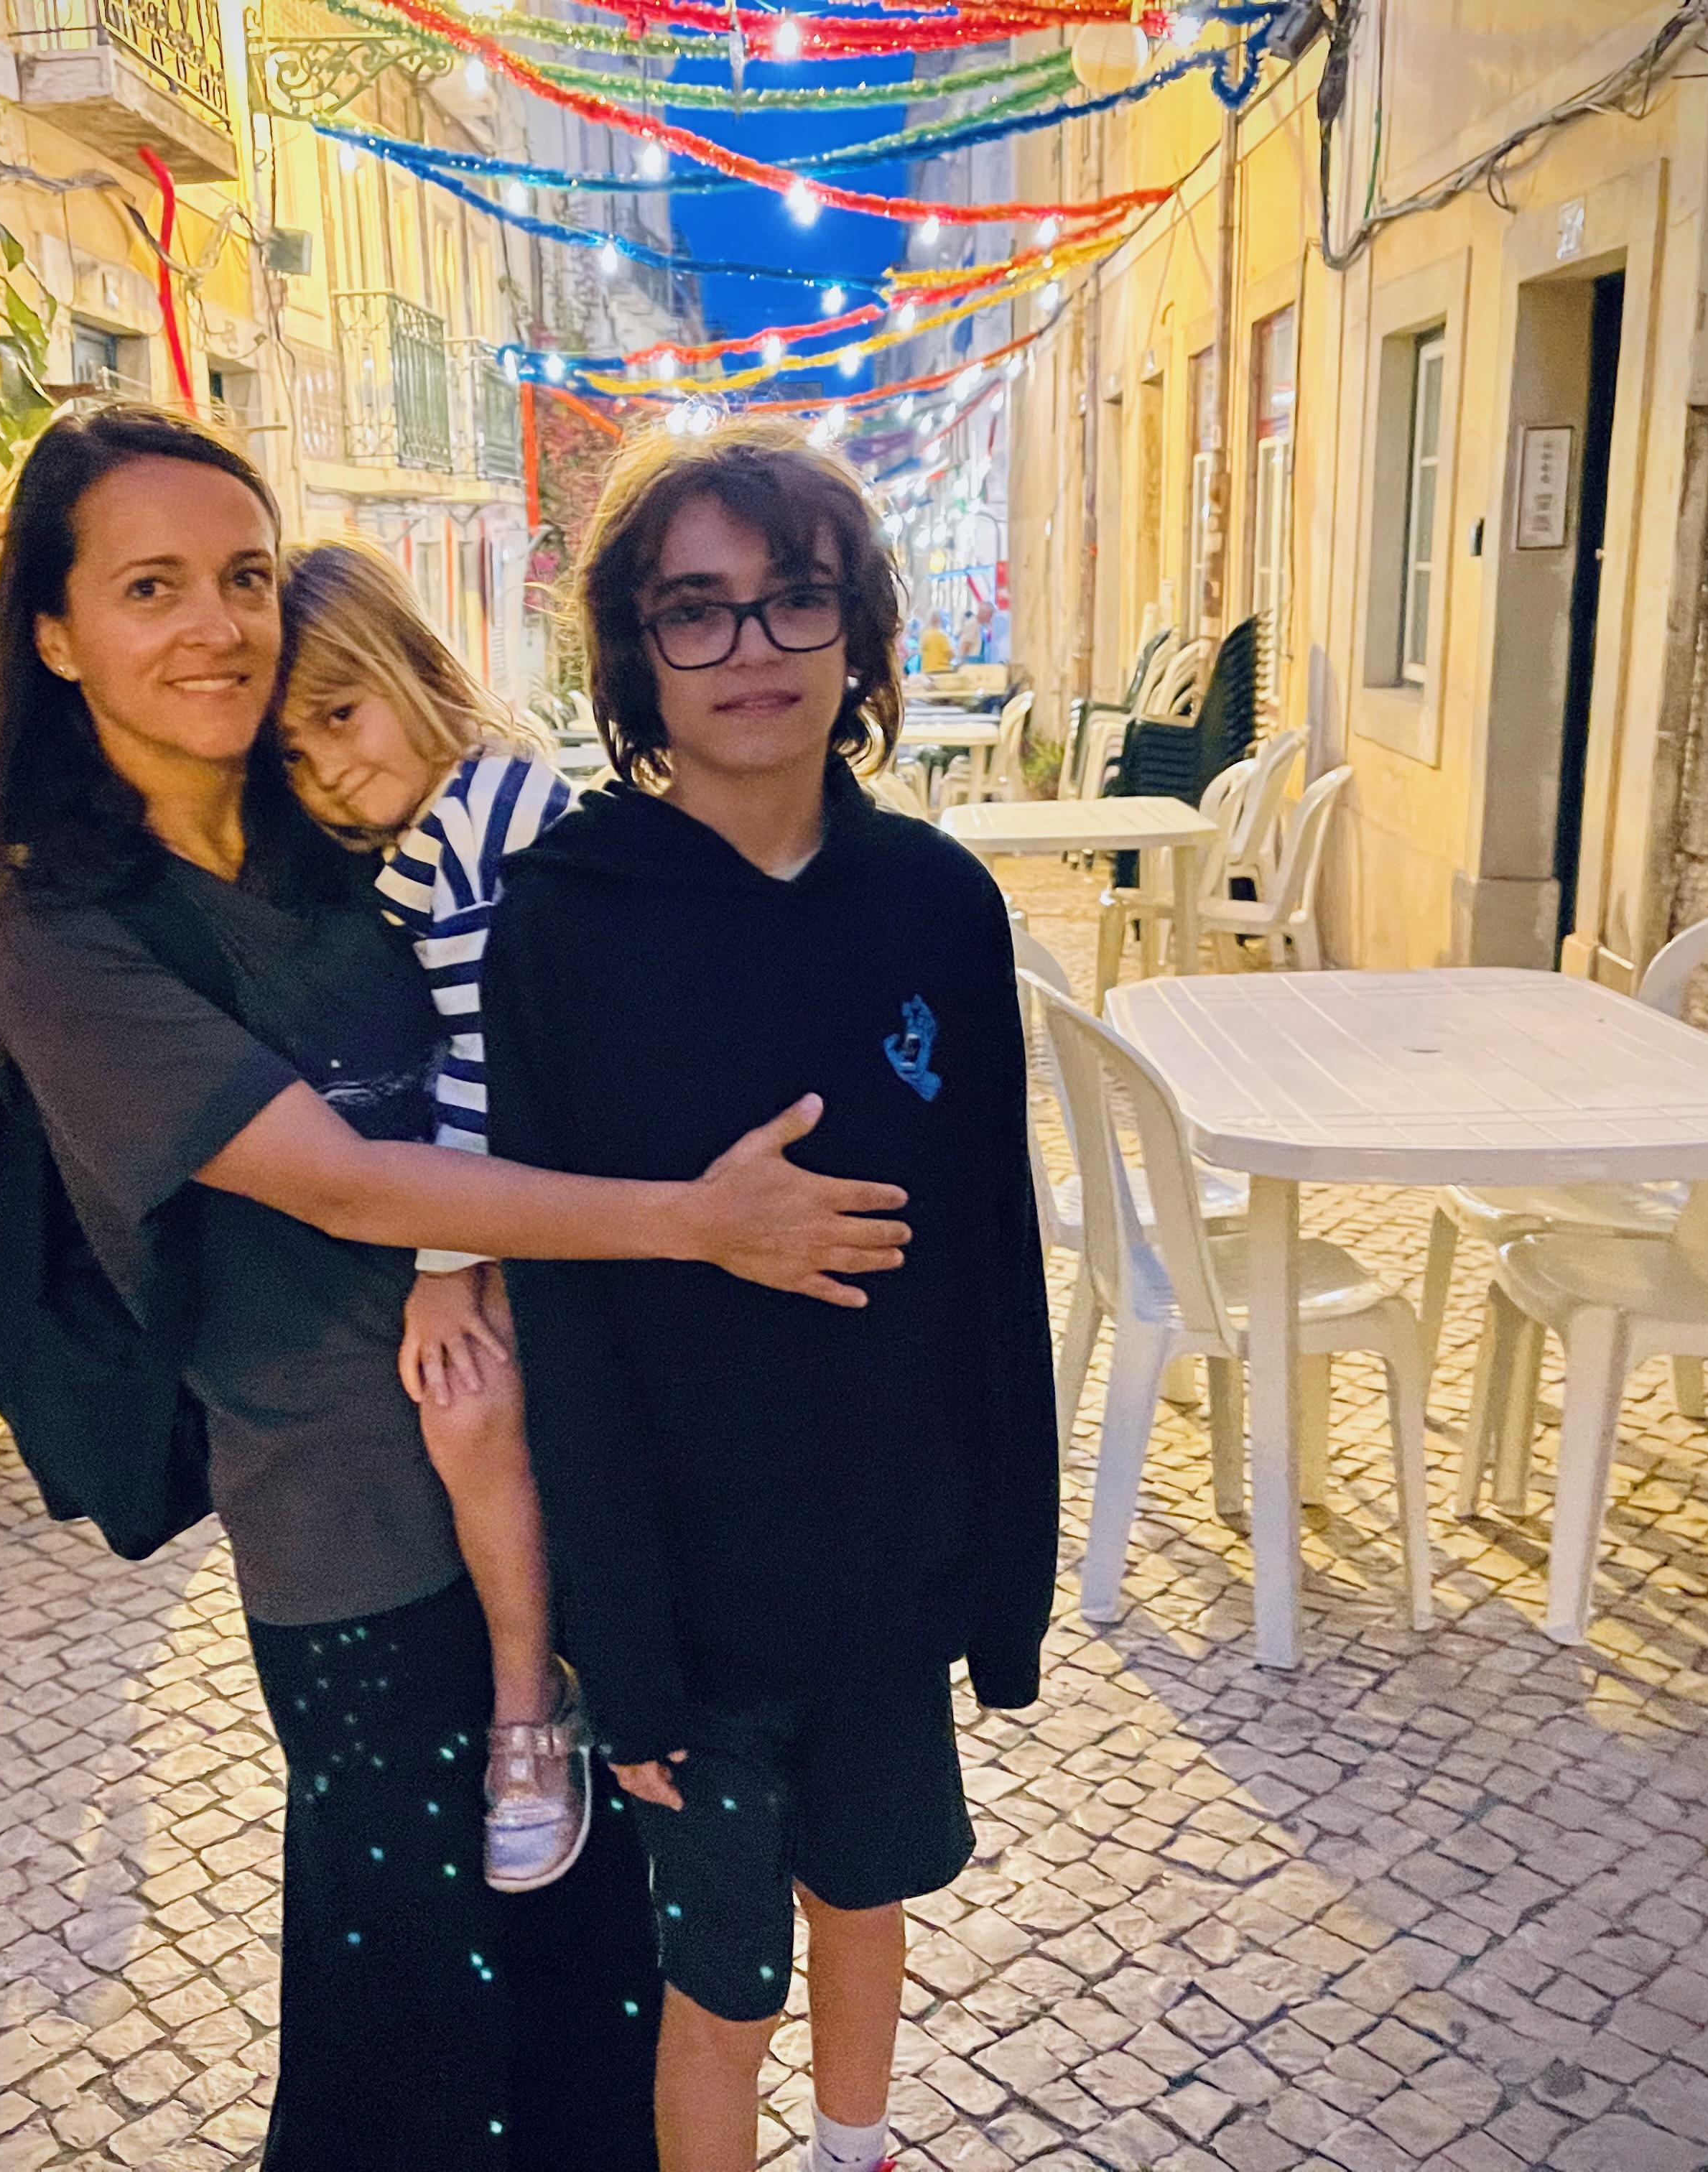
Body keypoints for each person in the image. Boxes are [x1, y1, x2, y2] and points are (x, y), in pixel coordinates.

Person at [0, 404, 918, 2171]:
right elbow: (341, 1179)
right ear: (55, 632)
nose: (217, 625)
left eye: (245, 576)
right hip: (351, 1533)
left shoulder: (341, 835)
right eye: (151, 586)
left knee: (598, 1985)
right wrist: (698, 1224)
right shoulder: (65, 936)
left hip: (578, 1472)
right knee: (406, 2016)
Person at [482, 420, 1060, 2172]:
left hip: (891, 1561)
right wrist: (623, 1643)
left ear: (861, 633)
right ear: (635, 657)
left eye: (796, 599)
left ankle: (857, 2148)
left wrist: (1005, 1576)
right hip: (695, 1589)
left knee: (868, 1900)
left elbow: (993, 1260)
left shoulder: (940, 903)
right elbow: (558, 1296)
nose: (751, 649)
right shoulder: (565, 920)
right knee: (719, 1992)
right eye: (697, 610)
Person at [270, 535, 587, 1895]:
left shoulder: (488, 820)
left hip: (580, 1182)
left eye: (341, 716)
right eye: (296, 753)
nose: (330, 770)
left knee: (467, 1404)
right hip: (552, 1182)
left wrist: (445, 1263)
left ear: (410, 667)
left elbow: (493, 1056)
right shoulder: (434, 832)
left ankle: (529, 1702)